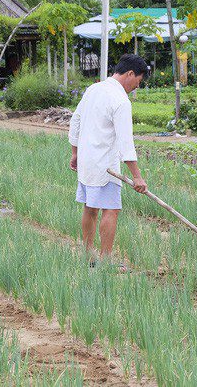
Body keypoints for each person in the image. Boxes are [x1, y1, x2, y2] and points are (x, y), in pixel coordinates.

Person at [68, 54, 149, 269]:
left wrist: (75, 153)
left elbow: (75, 120)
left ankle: (87, 255)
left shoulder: (94, 89)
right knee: (110, 210)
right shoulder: (120, 100)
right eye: (138, 82)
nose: (136, 88)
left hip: (86, 161)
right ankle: (105, 261)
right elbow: (126, 142)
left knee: (90, 208)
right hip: (105, 166)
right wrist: (137, 176)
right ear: (130, 74)